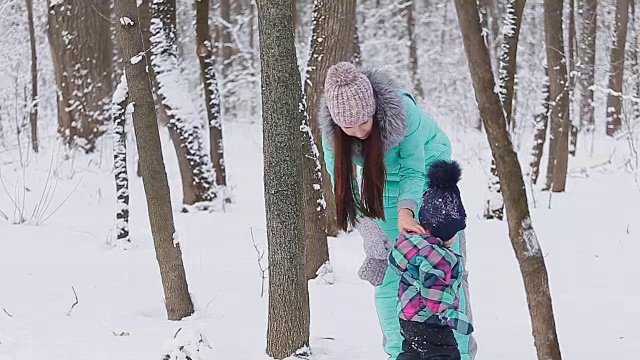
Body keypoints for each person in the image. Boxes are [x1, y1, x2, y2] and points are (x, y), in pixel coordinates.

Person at [318, 62, 476, 360]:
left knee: (444, 268)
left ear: (375, 109)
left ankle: (461, 353)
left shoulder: (403, 110)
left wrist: (407, 211)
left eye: (364, 123)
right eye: (348, 128)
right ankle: (398, 353)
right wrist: (368, 228)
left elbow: (414, 172)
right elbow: (343, 183)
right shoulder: (332, 132)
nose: (357, 132)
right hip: (381, 181)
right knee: (392, 270)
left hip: (430, 174)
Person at [388, 160, 473, 360]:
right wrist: (451, 315)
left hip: (407, 318)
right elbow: (434, 291)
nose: (455, 238)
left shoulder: (410, 245)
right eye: (454, 232)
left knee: (413, 352)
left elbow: (395, 262)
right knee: (445, 354)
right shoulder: (438, 256)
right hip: (430, 321)